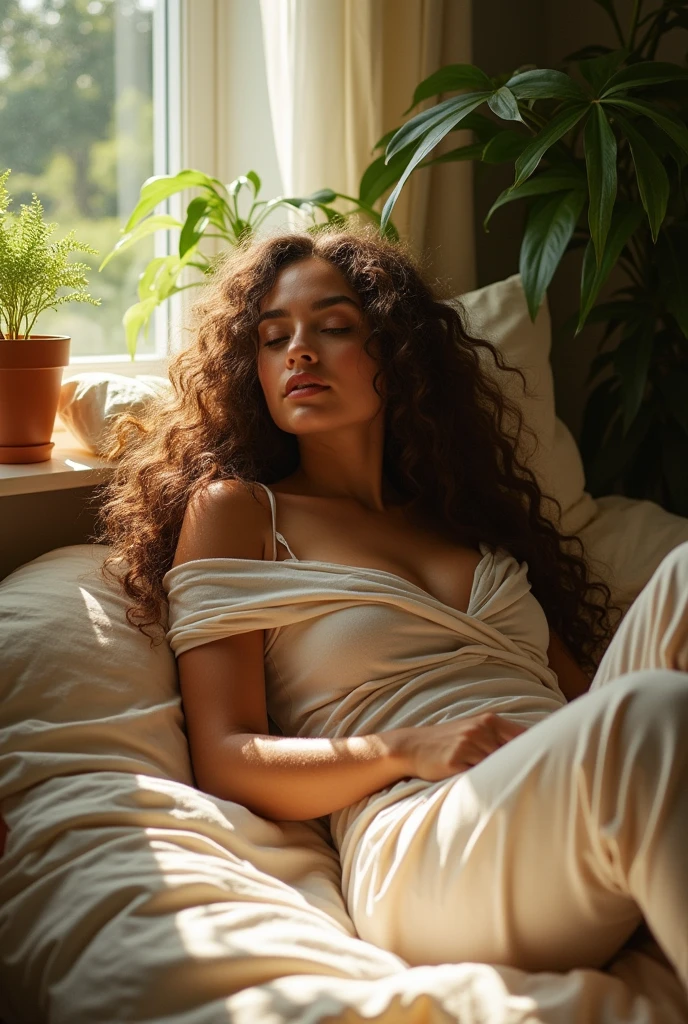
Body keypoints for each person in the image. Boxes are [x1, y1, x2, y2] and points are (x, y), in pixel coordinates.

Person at [96, 224, 688, 996]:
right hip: (425, 837)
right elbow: (226, 752)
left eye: (334, 328)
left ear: (397, 352)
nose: (298, 352)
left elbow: (581, 705)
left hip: (561, 791)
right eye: (274, 339)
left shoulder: (461, 517)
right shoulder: (241, 511)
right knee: (651, 713)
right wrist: (406, 748)